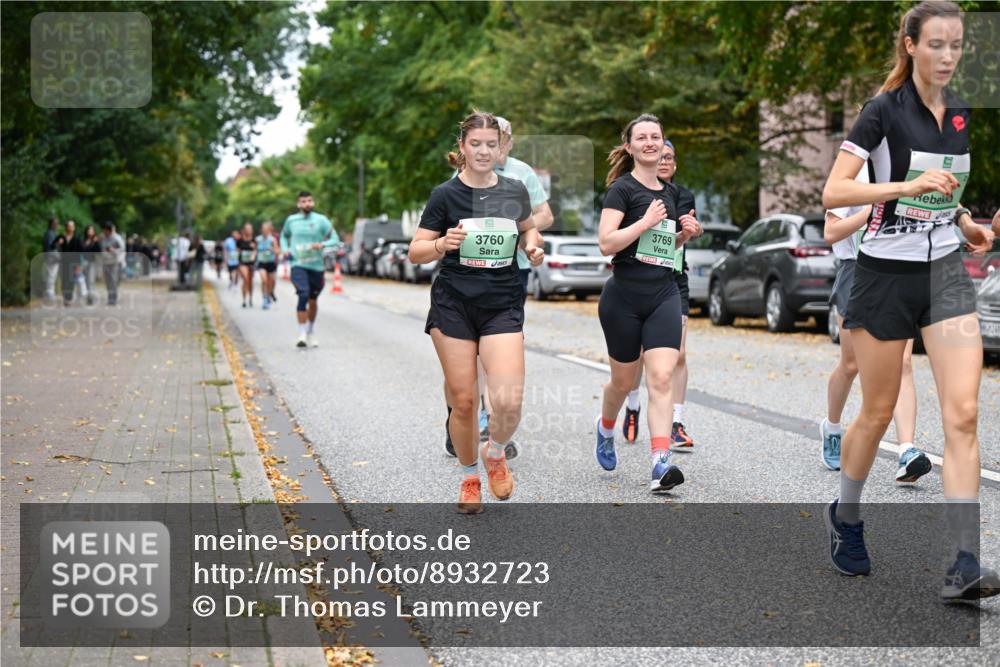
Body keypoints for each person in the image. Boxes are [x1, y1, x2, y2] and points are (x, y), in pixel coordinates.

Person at [821, 0, 999, 600]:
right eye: (937, 45)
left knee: (964, 413)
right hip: (883, 275)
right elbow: (833, 191)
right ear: (911, 45)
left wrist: (965, 222)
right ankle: (845, 516)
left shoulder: (961, 114)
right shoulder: (881, 112)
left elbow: (944, 193)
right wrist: (906, 186)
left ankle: (963, 562)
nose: (948, 56)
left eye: (957, 46)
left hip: (946, 270)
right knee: (877, 411)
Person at [408, 110, 543, 514]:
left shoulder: (515, 190)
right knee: (464, 401)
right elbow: (415, 252)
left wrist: (532, 247)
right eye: (476, 144)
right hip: (454, 305)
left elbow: (528, 227)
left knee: (508, 401)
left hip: (502, 302)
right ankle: (469, 477)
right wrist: (441, 245)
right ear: (462, 148)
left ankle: (495, 453)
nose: (484, 151)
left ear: (502, 148)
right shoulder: (444, 196)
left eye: (492, 144)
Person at [594, 114, 700, 494]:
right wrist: (645, 221)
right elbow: (607, 243)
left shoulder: (671, 194)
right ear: (630, 147)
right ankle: (606, 428)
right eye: (642, 137)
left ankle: (659, 463)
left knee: (660, 377)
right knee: (624, 382)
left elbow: (661, 251)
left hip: (664, 293)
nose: (650, 142)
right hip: (623, 296)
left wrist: (683, 236)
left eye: (656, 136)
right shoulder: (622, 190)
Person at [442, 115, 554, 459]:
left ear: (509, 141)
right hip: (468, 276)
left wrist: (527, 235)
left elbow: (543, 216)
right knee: (470, 352)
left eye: (500, 139)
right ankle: (463, 413)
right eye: (485, 140)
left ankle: (495, 425)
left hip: (512, 270)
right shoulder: (461, 178)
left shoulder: (522, 175)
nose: (493, 146)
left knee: (497, 352)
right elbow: (450, 219)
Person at [821, 174, 932, 482]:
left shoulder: (908, 175)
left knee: (904, 362)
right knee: (851, 363)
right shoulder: (851, 175)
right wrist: (868, 214)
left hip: (896, 270)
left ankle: (907, 450)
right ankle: (832, 428)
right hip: (855, 270)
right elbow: (830, 232)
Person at [621, 140, 699, 450]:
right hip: (637, 279)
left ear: (675, 165)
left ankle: (676, 422)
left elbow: (686, 231)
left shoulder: (682, 195)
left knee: (677, 353)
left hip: (673, 278)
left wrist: (694, 230)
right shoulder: (629, 190)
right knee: (639, 353)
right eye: (660, 156)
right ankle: (633, 403)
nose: (664, 161)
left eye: (670, 157)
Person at [280, 192, 340, 347]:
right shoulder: (291, 220)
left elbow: (335, 239)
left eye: (309, 201)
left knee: (313, 300)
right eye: (303, 201)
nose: (306, 203)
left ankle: (310, 331)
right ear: (298, 204)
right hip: (298, 264)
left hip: (316, 266)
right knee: (303, 294)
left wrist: (322, 245)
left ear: (312, 202)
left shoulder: (321, 220)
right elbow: (283, 236)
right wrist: (285, 249)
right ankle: (301, 334)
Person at [56, 220, 84, 306]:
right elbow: (54, 247)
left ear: (74, 228)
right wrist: (58, 244)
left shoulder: (77, 238)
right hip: (63, 262)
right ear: (66, 227)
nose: (70, 228)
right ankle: (65, 297)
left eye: (72, 226)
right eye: (69, 226)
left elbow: (80, 251)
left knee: (71, 280)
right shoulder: (61, 238)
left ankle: (69, 298)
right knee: (64, 280)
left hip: (73, 262)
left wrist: (79, 264)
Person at [99, 222, 126, 306]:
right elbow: (101, 248)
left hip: (115, 262)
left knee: (113, 281)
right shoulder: (103, 238)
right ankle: (110, 297)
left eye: (105, 230)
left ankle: (113, 299)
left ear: (109, 230)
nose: (104, 232)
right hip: (106, 262)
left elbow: (122, 250)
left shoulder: (117, 238)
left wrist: (113, 250)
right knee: (107, 281)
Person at [256, 221, 280, 309]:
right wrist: (253, 256)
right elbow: (255, 250)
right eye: (263, 229)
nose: (264, 230)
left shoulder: (272, 239)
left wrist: (273, 250)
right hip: (261, 262)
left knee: (271, 282)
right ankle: (264, 299)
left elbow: (278, 251)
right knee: (264, 281)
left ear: (269, 230)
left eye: (266, 229)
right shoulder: (258, 239)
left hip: (271, 263)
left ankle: (269, 295)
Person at [236, 224, 257, 307]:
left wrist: (253, 255)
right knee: (245, 278)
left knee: (250, 281)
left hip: (251, 263)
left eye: (250, 229)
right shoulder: (240, 240)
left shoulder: (254, 240)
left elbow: (256, 250)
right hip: (242, 262)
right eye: (247, 229)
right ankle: (244, 300)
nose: (249, 230)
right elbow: (236, 250)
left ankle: (250, 298)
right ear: (244, 230)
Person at [80, 224, 101, 306]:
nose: (90, 232)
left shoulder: (96, 241)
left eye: (92, 230)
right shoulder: (83, 240)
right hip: (84, 262)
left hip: (92, 262)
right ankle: (88, 297)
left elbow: (98, 250)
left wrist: (96, 242)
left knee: (91, 280)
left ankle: (91, 298)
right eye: (89, 230)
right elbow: (83, 249)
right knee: (85, 281)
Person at [42, 217, 60, 304]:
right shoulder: (50, 234)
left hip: (52, 257)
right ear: (52, 224)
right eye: (56, 223)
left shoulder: (51, 233)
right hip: (51, 258)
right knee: (51, 276)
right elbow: (50, 247)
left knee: (51, 276)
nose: (57, 225)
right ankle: (49, 294)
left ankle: (50, 294)